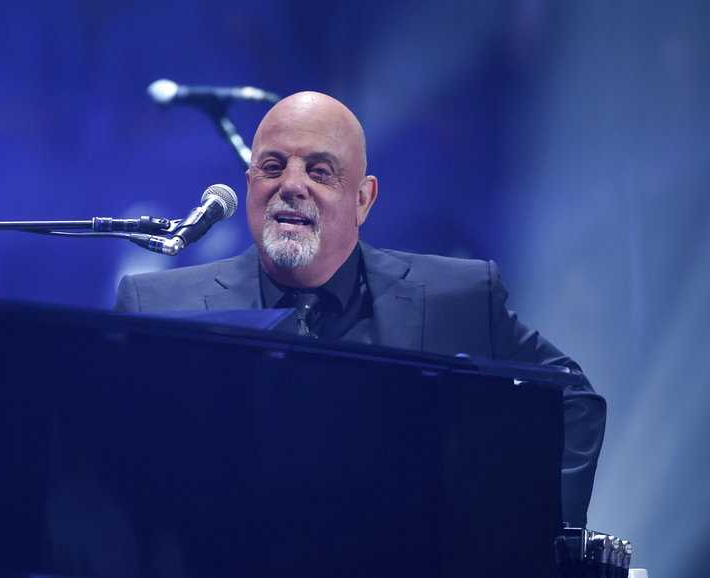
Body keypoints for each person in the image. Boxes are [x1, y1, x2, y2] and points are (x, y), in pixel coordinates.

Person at [114, 91, 605, 526]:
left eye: (319, 171)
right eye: (272, 166)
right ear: (248, 184)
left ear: (363, 200)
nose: (291, 184)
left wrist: (522, 545)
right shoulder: (159, 308)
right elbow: (105, 462)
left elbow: (571, 402)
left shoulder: (458, 297)